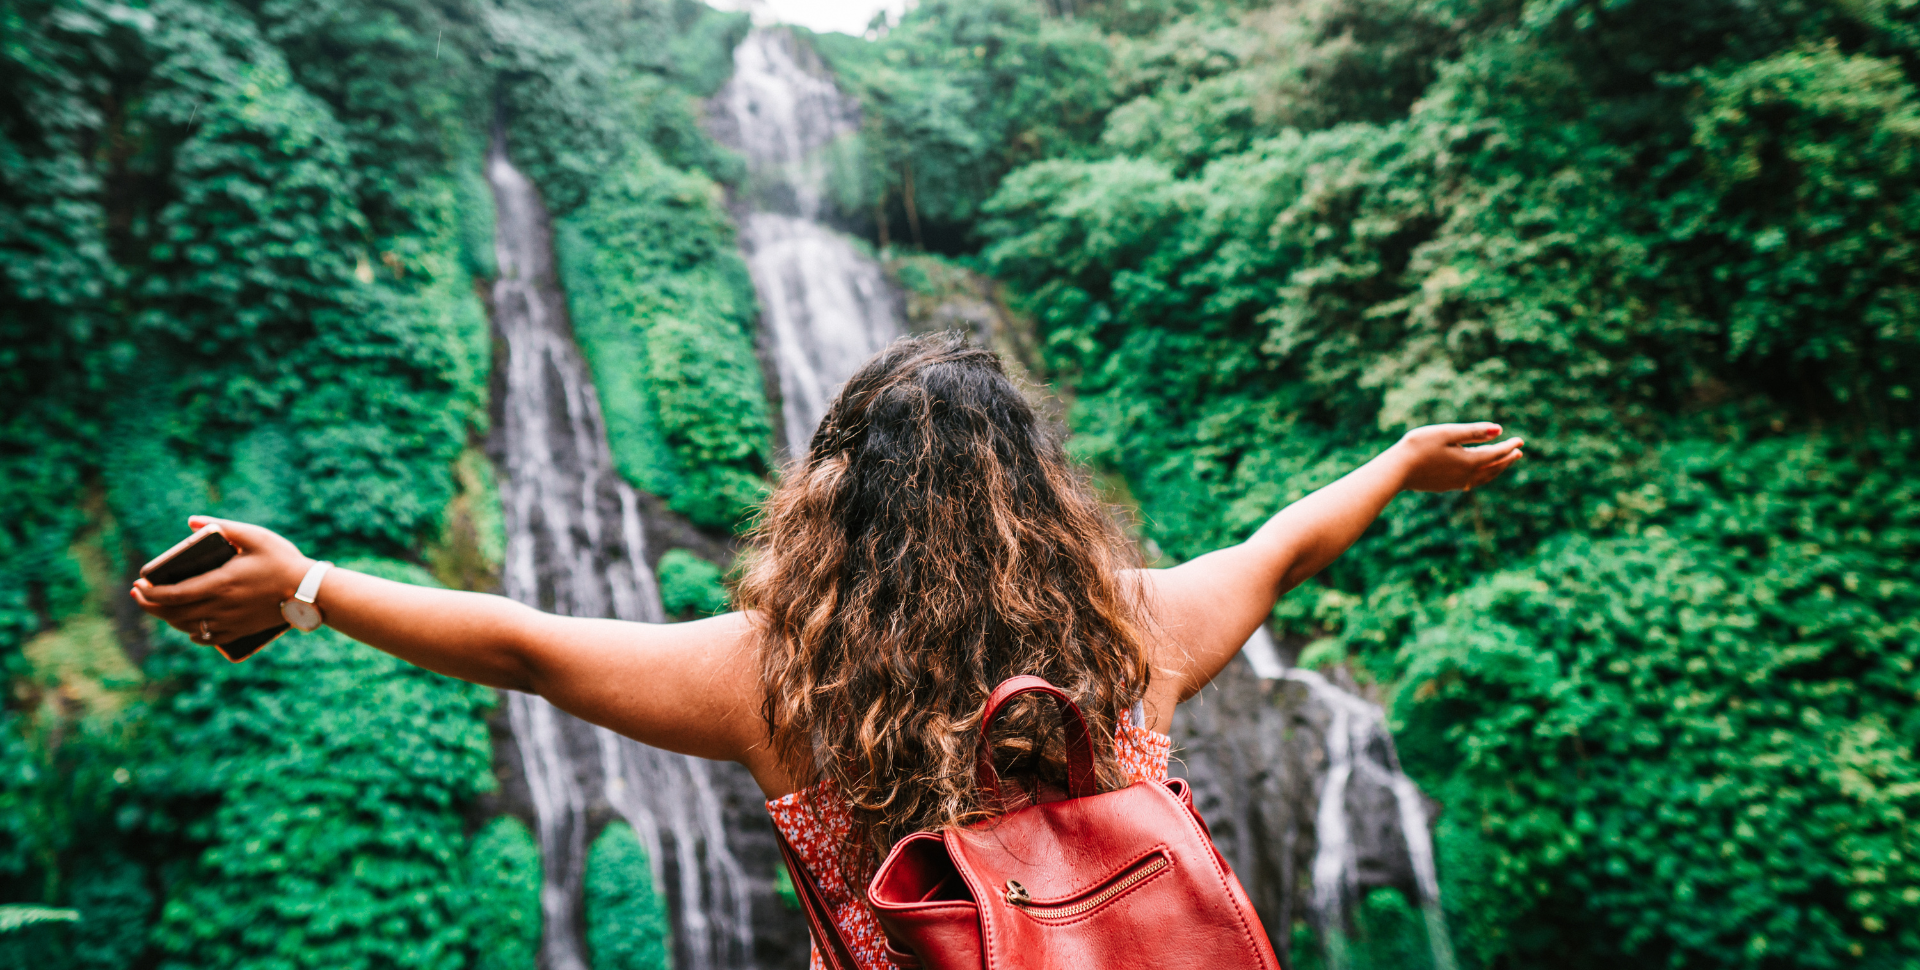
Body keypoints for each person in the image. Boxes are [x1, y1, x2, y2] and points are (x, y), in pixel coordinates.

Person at [131, 334, 1522, 969]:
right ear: (1036, 492)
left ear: (834, 499)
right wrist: (1398, 462)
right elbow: (1283, 544)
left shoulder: (775, 677)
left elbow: (528, 647)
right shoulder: (1130, 631)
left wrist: (307, 582)